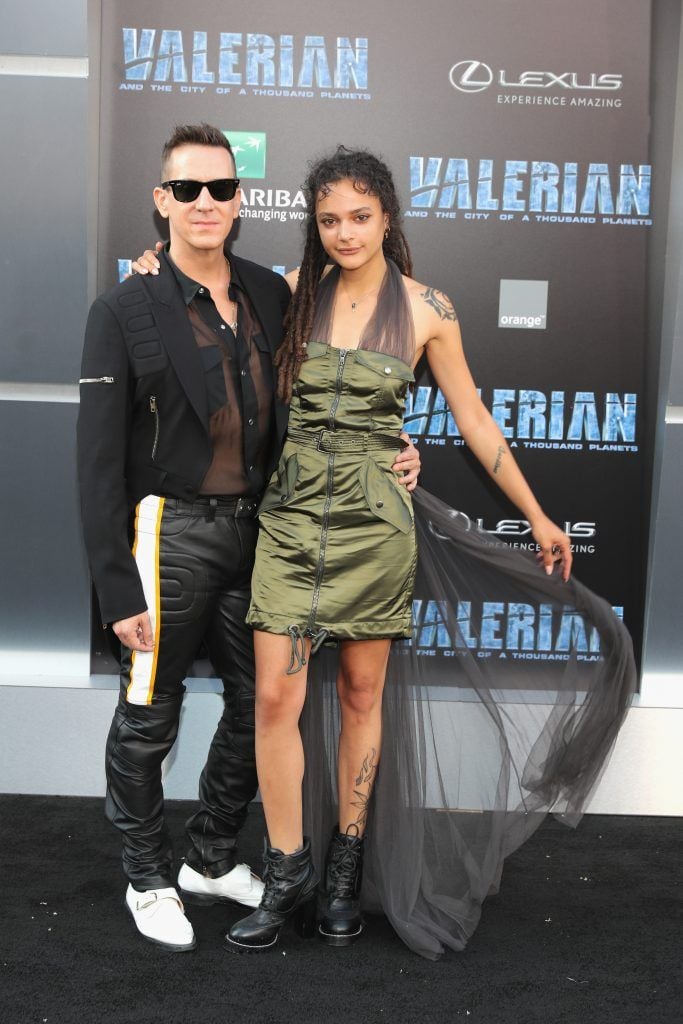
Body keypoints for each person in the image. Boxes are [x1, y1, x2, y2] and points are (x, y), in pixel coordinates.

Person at [223, 147, 636, 958]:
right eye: (329, 219)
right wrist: (154, 257)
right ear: (316, 224)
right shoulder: (288, 299)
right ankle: (285, 872)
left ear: (387, 218)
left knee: (359, 698)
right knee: (275, 699)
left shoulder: (427, 309)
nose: (344, 232)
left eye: (360, 216)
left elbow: (475, 420)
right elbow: (204, 293)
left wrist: (538, 515)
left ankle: (343, 873)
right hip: (291, 519)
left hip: (375, 525)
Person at [77, 122, 423, 953]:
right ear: (161, 200)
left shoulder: (276, 292)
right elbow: (94, 461)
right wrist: (116, 586)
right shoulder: (124, 306)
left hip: (265, 531)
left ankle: (205, 859)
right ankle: (148, 876)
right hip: (170, 536)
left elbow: (338, 394)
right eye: (187, 189)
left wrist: (395, 450)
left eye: (221, 189)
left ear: (241, 201)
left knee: (256, 707)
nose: (206, 203)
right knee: (148, 711)